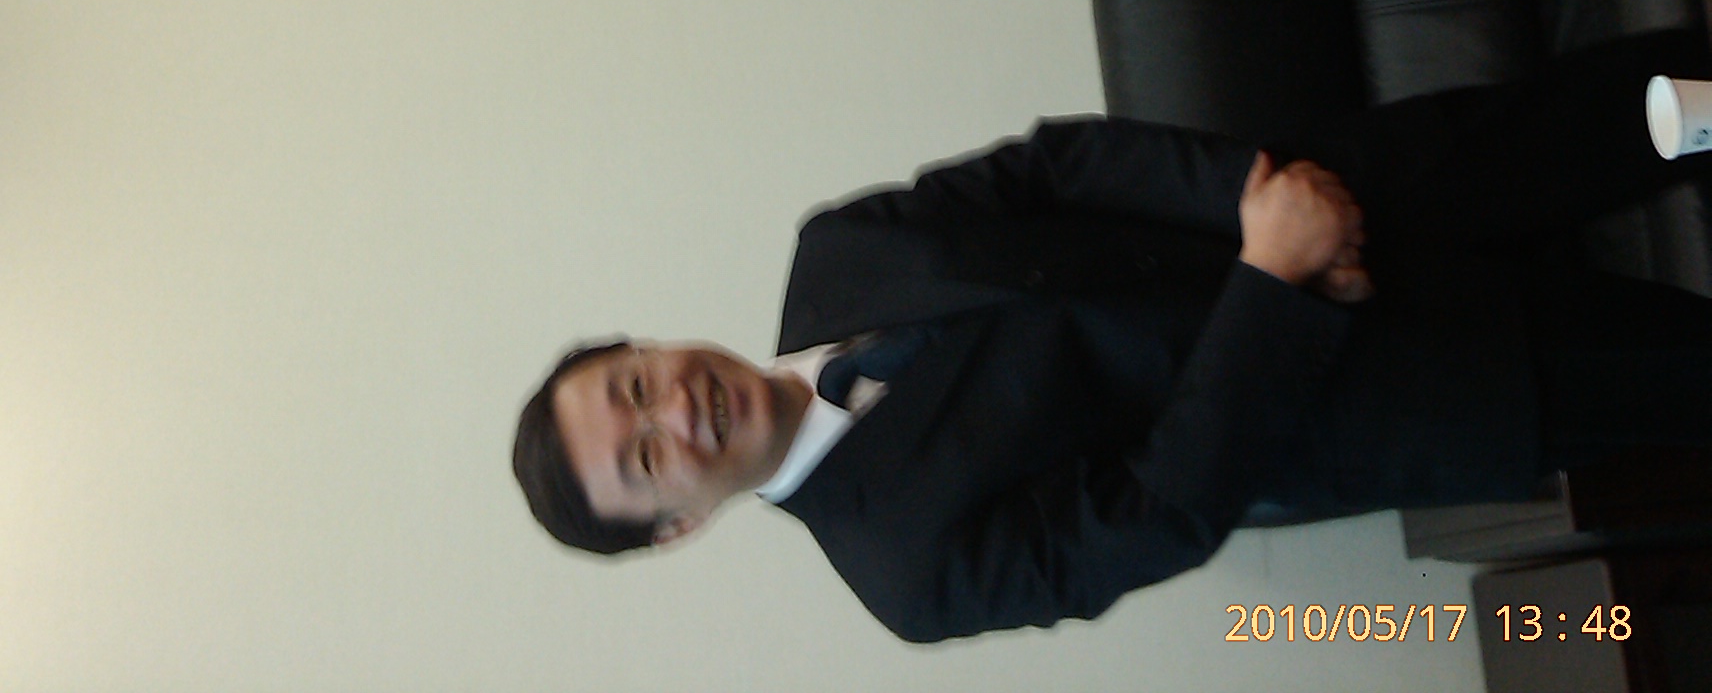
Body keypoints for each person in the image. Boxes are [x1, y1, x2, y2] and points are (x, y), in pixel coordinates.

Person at [508, 32, 1712, 644]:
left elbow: (1054, 166)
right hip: (1406, 386)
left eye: (632, 383)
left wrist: (1253, 198)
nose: (674, 408)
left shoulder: (834, 252)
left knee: (1671, 92)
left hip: (1352, 188)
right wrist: (1272, 279)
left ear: (644, 346)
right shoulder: (907, 575)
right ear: (676, 525)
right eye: (646, 456)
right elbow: (1160, 510)